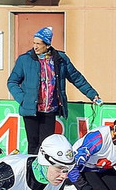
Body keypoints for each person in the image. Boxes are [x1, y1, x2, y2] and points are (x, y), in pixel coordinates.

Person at [6, 26, 99, 154]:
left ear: (48, 45)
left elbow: (76, 78)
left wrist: (92, 95)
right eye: (34, 43)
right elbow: (12, 82)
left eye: (38, 43)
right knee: (33, 144)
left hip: (49, 109)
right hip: (30, 109)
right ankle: (32, 171)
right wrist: (23, 99)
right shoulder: (25, 59)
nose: (35, 46)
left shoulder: (60, 59)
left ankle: (44, 170)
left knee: (46, 145)